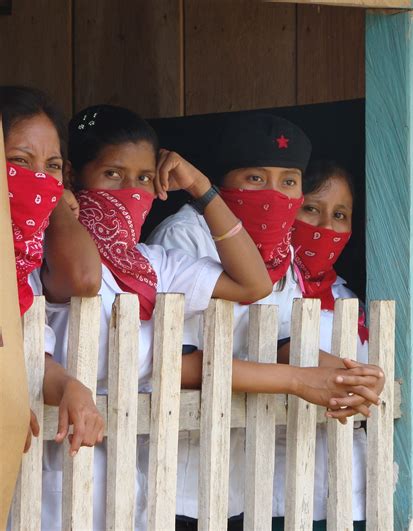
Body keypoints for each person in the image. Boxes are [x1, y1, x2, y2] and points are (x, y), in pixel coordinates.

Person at [42, 103, 274, 530]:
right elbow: (82, 278)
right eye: (113, 174)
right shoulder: (44, 254)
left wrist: (202, 189)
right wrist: (57, 201)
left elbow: (253, 285)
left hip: (134, 477)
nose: (131, 189)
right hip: (54, 475)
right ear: (76, 175)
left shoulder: (152, 263)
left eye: (144, 178)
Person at [147, 114, 384, 530]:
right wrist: (295, 380)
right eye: (256, 179)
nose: (275, 195)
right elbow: (174, 362)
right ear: (222, 181)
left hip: (236, 483)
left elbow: (280, 338)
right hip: (172, 478)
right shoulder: (183, 235)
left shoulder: (279, 252)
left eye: (289, 182)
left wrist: (352, 378)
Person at [290, 160, 413, 527]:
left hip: (352, 499)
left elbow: (377, 409)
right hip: (276, 500)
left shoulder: (348, 300)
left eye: (340, 215)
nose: (327, 227)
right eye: (311, 209)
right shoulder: (259, 287)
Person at [0, 85, 104, 526]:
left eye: (53, 167)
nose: (40, 179)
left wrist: (69, 386)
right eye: (19, 162)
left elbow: (24, 357)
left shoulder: (20, 267)